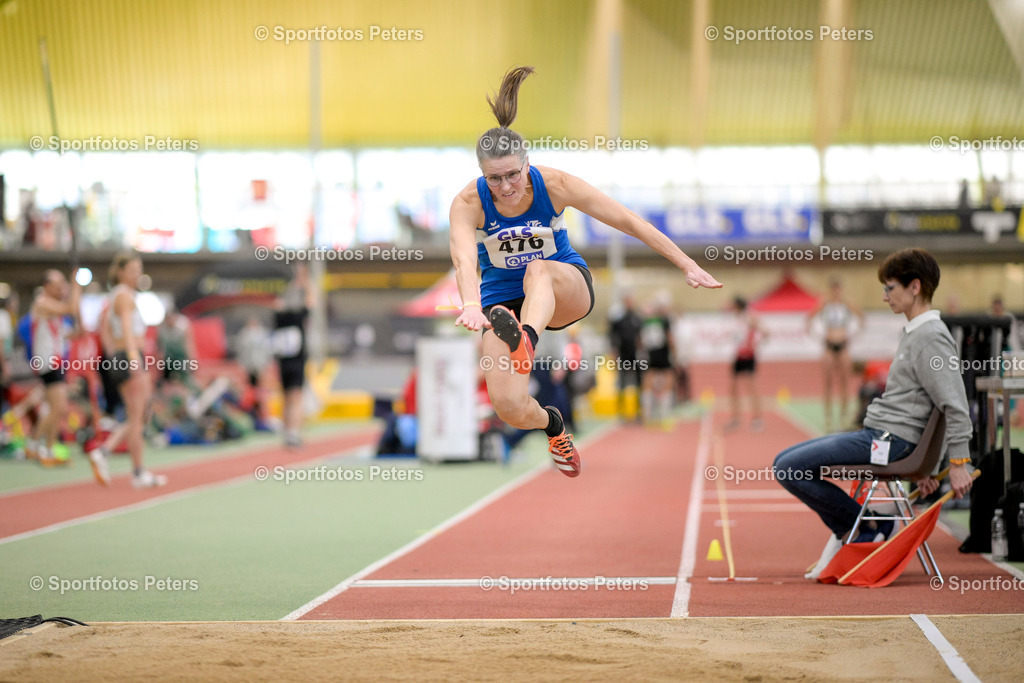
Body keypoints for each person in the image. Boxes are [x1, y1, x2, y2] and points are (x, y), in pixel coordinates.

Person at [448, 66, 721, 477]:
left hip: (562, 288)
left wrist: (686, 263)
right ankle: (553, 425)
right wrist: (470, 303)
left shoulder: (555, 185)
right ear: (482, 175)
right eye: (494, 179)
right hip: (501, 304)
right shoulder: (469, 201)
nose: (505, 187)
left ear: (528, 164)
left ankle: (527, 341)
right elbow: (463, 259)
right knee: (510, 408)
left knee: (537, 269)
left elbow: (628, 221)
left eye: (513, 176)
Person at [774, 248, 974, 579]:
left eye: (889, 287)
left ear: (915, 286)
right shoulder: (914, 331)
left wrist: (957, 463)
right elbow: (928, 406)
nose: (884, 297)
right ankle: (865, 526)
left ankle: (866, 526)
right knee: (785, 461)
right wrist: (928, 465)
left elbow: (953, 402)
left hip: (889, 441)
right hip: (884, 436)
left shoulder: (931, 337)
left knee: (788, 468)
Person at [90, 252, 166, 488]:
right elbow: (125, 329)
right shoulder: (123, 296)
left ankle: (105, 452)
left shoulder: (116, 297)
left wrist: (113, 354)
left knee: (138, 416)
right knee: (139, 416)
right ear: (120, 271)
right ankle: (137, 471)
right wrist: (133, 359)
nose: (137, 275)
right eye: (132, 270)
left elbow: (105, 329)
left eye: (138, 270)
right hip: (129, 356)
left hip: (121, 356)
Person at [25, 269, 81, 467]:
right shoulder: (42, 303)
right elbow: (71, 308)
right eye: (58, 285)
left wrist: (75, 294)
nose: (61, 288)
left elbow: (74, 331)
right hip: (47, 362)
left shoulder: (53, 311)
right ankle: (33, 444)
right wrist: (75, 286)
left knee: (52, 409)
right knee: (60, 407)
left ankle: (46, 448)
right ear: (47, 286)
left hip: (54, 362)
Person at [807, 279, 864, 431]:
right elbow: (809, 320)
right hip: (829, 346)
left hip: (843, 345)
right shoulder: (824, 304)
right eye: (833, 289)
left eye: (838, 289)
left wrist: (852, 335)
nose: (836, 292)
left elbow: (862, 318)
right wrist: (819, 336)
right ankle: (828, 416)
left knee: (845, 381)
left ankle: (844, 415)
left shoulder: (847, 304)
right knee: (828, 381)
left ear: (841, 289)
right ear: (829, 290)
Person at [272, 264, 316, 448]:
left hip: (283, 361)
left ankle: (286, 431)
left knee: (286, 398)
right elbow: (310, 301)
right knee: (296, 397)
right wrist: (305, 281)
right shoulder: (299, 316)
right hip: (296, 361)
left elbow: (277, 303)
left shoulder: (279, 317)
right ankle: (294, 433)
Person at [726, 297, 765, 432]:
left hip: (749, 356)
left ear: (738, 306)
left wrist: (755, 345)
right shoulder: (735, 319)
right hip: (737, 356)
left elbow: (765, 332)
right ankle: (735, 418)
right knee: (733, 388)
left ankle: (757, 419)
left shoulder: (749, 318)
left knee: (751, 387)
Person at [639, 295, 675, 428]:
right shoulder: (664, 320)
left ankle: (648, 417)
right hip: (663, 354)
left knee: (648, 384)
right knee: (668, 383)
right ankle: (665, 417)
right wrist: (675, 354)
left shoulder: (646, 320)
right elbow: (670, 338)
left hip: (650, 355)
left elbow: (640, 340)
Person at [609, 294, 645, 422]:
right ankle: (622, 413)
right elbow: (613, 338)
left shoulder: (638, 318)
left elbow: (641, 337)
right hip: (623, 356)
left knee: (639, 385)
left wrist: (643, 353)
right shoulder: (619, 320)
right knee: (622, 385)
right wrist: (614, 356)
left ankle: (639, 412)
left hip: (636, 356)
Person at [236, 315, 272, 426]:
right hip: (250, 367)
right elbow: (242, 351)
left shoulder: (261, 334)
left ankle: (263, 416)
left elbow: (266, 350)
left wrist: (265, 365)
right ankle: (254, 416)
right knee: (251, 393)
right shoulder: (245, 335)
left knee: (261, 392)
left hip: (259, 366)